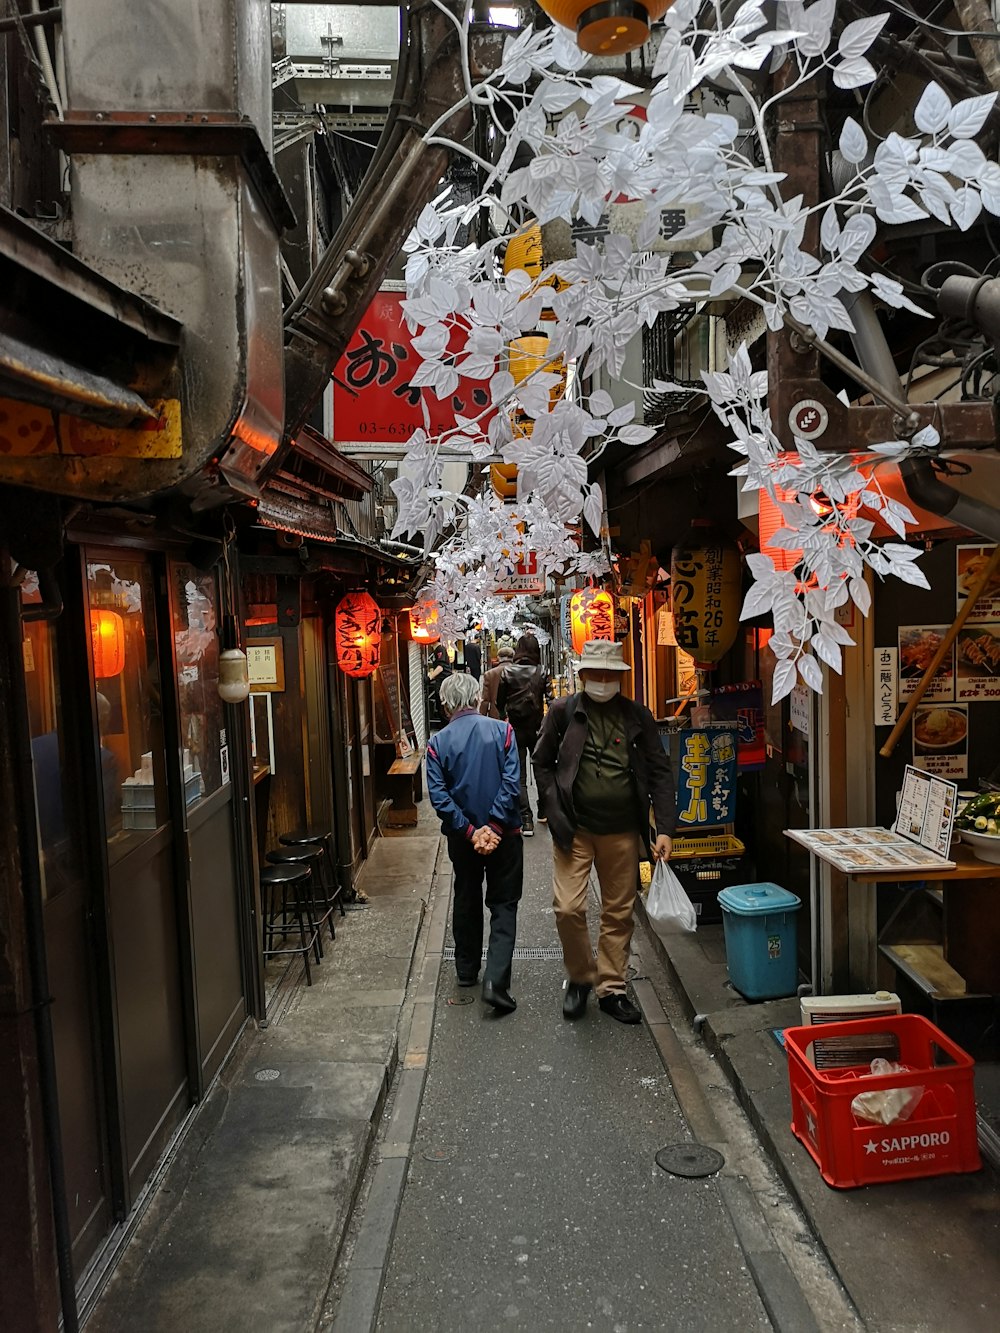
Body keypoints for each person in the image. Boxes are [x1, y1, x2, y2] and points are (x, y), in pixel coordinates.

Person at [532, 639, 675, 1025]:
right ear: (581, 676)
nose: (602, 680)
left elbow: (660, 771)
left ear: (621, 678)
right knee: (568, 907)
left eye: (610, 674)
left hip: (623, 829)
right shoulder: (563, 712)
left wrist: (664, 828)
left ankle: (611, 987)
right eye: (595, 673)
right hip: (575, 828)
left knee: (618, 911)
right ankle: (581, 976)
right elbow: (541, 762)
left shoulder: (637, 716)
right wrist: (553, 806)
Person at [426, 672, 523, 1015]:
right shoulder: (503, 732)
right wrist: (493, 827)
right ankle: (496, 982)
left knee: (467, 896)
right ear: (475, 698)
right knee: (503, 904)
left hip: (463, 840)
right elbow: (513, 783)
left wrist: (470, 832)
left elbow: (439, 797)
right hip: (506, 836)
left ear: (447, 704)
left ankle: (467, 970)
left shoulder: (438, 744)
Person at [496, 632, 551, 837]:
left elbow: (499, 704)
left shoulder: (507, 673)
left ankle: (525, 819)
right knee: (541, 771)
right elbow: (551, 701)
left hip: (516, 729)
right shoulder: (542, 671)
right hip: (538, 730)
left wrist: (505, 718)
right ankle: (544, 810)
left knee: (518, 777)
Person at [479, 642, 514, 720]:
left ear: (498, 657)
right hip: (516, 714)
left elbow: (485, 699)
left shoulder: (490, 674)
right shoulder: (519, 672)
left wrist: (482, 717)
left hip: (495, 715)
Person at [426, 643, 452, 727]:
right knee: (441, 707)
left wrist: (430, 677)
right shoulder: (438, 649)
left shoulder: (440, 649)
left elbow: (440, 667)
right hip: (443, 681)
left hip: (443, 682)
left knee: (442, 707)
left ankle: (447, 728)